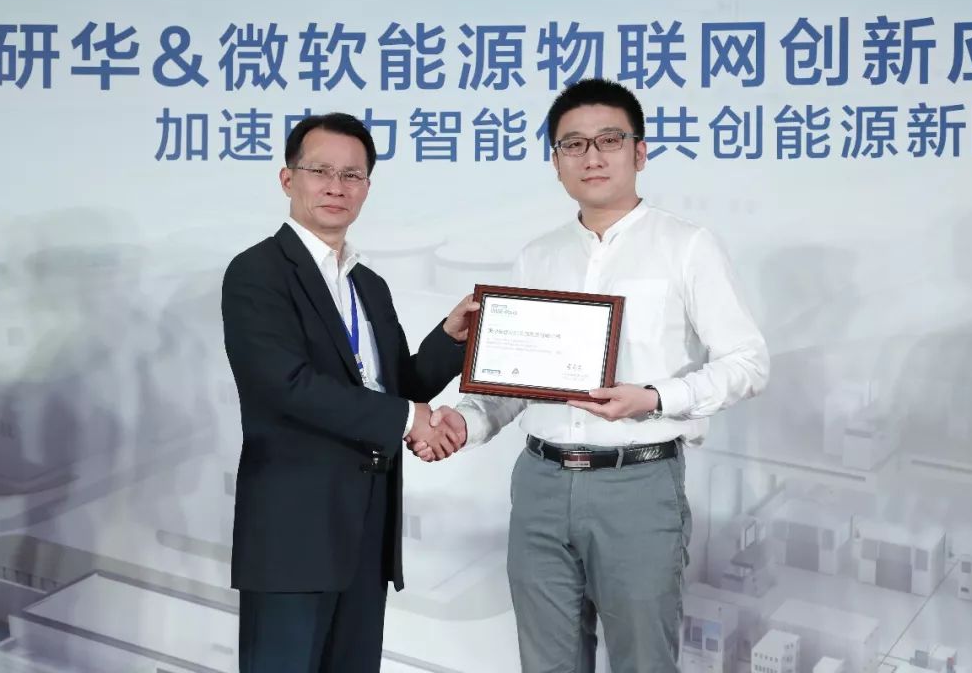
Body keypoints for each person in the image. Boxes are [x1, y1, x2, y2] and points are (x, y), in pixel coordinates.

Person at [416, 79, 770, 673]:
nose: (592, 156)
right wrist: (466, 422)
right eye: (573, 144)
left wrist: (655, 397)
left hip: (638, 484)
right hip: (540, 484)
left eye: (609, 139)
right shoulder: (537, 256)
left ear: (640, 151)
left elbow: (748, 362)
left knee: (643, 662)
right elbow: (516, 384)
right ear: (556, 162)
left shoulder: (687, 246)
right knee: (546, 664)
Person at [222, 112, 475, 673]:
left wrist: (451, 338)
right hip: (293, 533)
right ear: (288, 179)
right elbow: (286, 386)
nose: (336, 186)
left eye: (352, 175)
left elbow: (394, 386)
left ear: (367, 187)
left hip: (368, 527)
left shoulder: (368, 284)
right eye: (321, 171)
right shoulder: (257, 272)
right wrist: (410, 419)